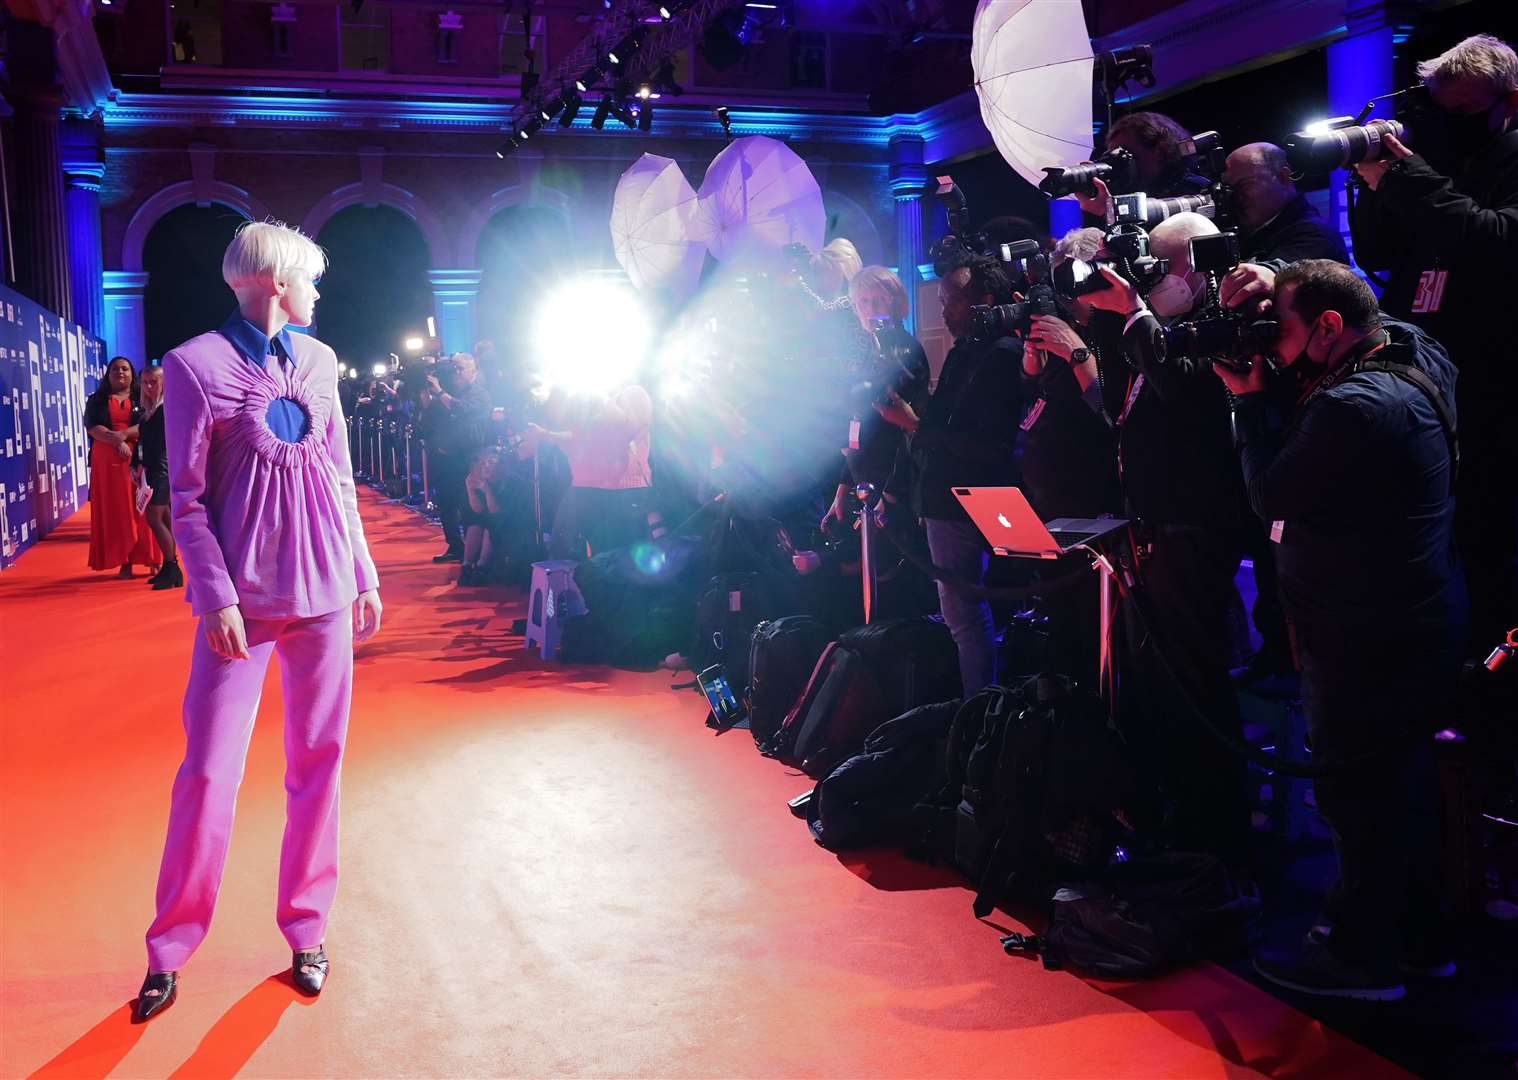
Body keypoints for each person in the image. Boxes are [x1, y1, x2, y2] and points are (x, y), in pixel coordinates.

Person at [134, 221, 381, 1023]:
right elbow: (188, 499)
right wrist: (215, 597)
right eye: (309, 278)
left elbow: (341, 476)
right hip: (240, 607)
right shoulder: (194, 366)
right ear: (275, 280)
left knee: (320, 763)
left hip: (327, 595)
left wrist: (365, 571)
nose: (317, 292)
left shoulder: (320, 361)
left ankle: (307, 928)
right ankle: (169, 947)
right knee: (207, 772)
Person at [1215, 260, 1461, 1001]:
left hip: (1360, 631)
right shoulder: (1417, 353)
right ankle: (1419, 946)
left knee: (1358, 799)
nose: (1273, 347)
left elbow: (1271, 493)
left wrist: (1247, 403)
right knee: (1403, 792)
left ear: (1327, 326)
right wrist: (1283, 284)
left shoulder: (1350, 406)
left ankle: (1358, 959)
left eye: (1281, 328)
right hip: (1417, 615)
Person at [1083, 212, 1252, 866]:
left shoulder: (1222, 328)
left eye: (1161, 266)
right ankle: (1173, 824)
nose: (1151, 278)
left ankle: (1216, 843)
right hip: (1152, 527)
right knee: (1157, 687)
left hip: (1194, 530)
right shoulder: (1165, 329)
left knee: (1195, 688)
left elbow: (1181, 391)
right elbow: (1130, 387)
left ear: (1196, 265)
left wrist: (1133, 315)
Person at [1349, 32, 1518, 655]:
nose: (1453, 125)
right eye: (1443, 111)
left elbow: (1494, 241)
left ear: (1512, 101)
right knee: (1426, 531)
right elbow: (1381, 253)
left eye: (1468, 112)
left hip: (1494, 383)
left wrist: (1409, 178)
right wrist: (1369, 182)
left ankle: (1492, 675)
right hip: (1427, 377)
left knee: (1484, 537)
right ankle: (1440, 660)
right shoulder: (1441, 159)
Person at [874, 255, 1024, 695]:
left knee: (966, 616)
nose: (943, 310)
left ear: (986, 299)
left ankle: (978, 710)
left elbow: (985, 443)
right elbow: (946, 421)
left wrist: (914, 425)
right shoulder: (964, 350)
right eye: (941, 300)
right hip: (947, 497)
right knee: (966, 615)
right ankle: (978, 702)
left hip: (975, 497)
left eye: (953, 300)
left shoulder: (1003, 353)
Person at [822, 266, 930, 530]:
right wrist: (843, 488)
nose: (871, 309)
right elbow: (860, 424)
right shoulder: (870, 352)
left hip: (892, 489)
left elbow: (906, 426)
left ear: (894, 302)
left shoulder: (906, 350)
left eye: (879, 299)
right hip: (866, 486)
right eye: (864, 302)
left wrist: (888, 493)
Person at [526, 382, 654, 561]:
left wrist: (602, 401)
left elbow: (631, 428)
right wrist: (546, 433)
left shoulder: (633, 394)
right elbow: (576, 435)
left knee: (617, 550)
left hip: (625, 489)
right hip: (588, 487)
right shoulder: (598, 407)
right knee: (565, 543)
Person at [84, 356, 160, 577]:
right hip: (107, 462)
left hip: (140, 457)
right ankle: (124, 560)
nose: (120, 372)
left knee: (144, 509)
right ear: (108, 374)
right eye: (115, 369)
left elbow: (150, 423)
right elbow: (93, 427)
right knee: (116, 511)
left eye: (125, 369)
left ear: (132, 373)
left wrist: (124, 436)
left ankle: (153, 559)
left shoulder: (144, 396)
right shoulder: (96, 400)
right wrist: (117, 441)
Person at [1222, 142, 1350, 266]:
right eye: (1228, 189)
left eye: (1244, 184)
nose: (1235, 196)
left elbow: (1265, 283)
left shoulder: (1316, 236)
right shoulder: (1243, 236)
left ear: (1283, 177)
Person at [424, 351, 491, 564]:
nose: (457, 373)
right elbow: (431, 418)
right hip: (445, 457)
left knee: (468, 504)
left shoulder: (479, 393)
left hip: (468, 457)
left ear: (474, 371)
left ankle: (473, 554)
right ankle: (455, 545)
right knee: (446, 503)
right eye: (454, 369)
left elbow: (463, 410)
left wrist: (440, 392)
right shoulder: (447, 392)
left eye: (461, 369)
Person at [135, 363, 181, 590]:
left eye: (154, 381)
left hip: (161, 470)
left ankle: (172, 566)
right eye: (145, 382)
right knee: (162, 518)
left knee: (155, 518)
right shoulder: (149, 410)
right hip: (153, 469)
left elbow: (164, 445)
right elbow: (143, 443)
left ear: (164, 382)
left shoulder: (167, 408)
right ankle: (171, 567)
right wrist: (138, 463)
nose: (149, 386)